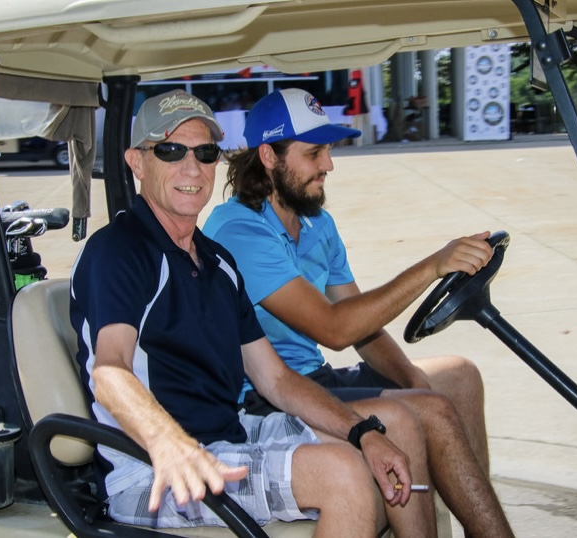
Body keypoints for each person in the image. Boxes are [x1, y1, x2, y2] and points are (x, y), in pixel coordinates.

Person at [69, 89, 438, 537]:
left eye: (205, 153)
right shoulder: (119, 250)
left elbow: (276, 380)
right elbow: (110, 370)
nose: (192, 167)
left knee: (396, 425)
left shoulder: (217, 261)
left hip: (228, 436)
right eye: (170, 150)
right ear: (137, 162)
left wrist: (363, 432)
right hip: (151, 470)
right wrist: (169, 443)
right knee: (342, 472)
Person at [204, 88, 514, 537]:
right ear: (269, 156)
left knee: (459, 376)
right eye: (314, 154)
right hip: (268, 399)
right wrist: (432, 266)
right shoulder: (238, 230)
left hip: (318, 379)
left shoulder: (316, 223)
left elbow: (362, 326)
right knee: (430, 410)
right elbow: (334, 328)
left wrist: (411, 379)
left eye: (328, 151)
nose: (329, 165)